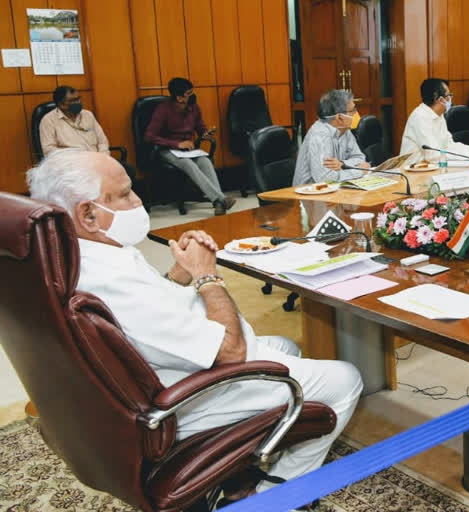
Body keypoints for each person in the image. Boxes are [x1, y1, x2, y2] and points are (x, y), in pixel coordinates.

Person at [26, 149, 363, 504]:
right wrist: (207, 276)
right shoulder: (111, 278)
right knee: (346, 380)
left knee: (285, 346)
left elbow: (145, 315)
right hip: (184, 399)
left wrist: (178, 276)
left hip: (161, 372)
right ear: (88, 214)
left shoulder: (81, 258)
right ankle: (269, 497)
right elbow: (232, 353)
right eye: (125, 193)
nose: (138, 200)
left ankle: (245, 467)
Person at [145, 77, 234, 216]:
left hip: (188, 150)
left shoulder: (193, 107)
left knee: (205, 161)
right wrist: (177, 144)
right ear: (179, 98)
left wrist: (205, 133)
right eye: (188, 93)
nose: (192, 95)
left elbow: (199, 126)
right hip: (167, 149)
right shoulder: (163, 110)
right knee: (188, 164)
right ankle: (220, 199)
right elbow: (150, 136)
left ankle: (218, 202)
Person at [39, 86, 136, 180]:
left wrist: (103, 158)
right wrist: (77, 162)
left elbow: (102, 141)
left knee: (127, 171)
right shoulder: (48, 120)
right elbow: (49, 150)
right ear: (61, 105)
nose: (78, 102)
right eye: (73, 100)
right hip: (72, 167)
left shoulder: (88, 115)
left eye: (78, 99)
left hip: (98, 162)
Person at [293, 89, 369, 186]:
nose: (356, 113)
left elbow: (360, 158)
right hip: (311, 195)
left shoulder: (345, 129)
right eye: (353, 110)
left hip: (335, 190)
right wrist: (359, 172)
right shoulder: (320, 136)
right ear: (340, 117)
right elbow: (325, 178)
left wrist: (342, 163)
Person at [401, 78, 469, 160]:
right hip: (413, 171)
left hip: (432, 168)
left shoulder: (439, 115)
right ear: (439, 99)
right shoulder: (420, 117)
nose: (450, 99)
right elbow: (433, 156)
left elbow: (449, 145)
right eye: (449, 95)